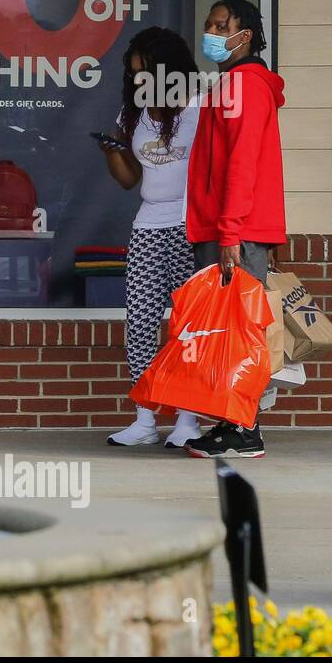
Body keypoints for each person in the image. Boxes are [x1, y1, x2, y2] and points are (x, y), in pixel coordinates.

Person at [182, 0, 286, 459]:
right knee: (224, 331)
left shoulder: (244, 86)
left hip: (234, 232)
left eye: (222, 25)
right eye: (209, 24)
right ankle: (230, 423)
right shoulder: (232, 83)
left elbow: (241, 166)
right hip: (227, 228)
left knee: (239, 332)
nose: (212, 32)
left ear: (245, 35)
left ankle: (245, 429)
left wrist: (229, 235)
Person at [99, 27, 204, 448]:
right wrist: (113, 154)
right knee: (140, 321)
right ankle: (145, 418)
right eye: (134, 75)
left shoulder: (200, 106)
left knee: (189, 325)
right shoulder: (134, 114)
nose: (139, 82)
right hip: (148, 224)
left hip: (189, 225)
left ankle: (188, 418)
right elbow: (130, 180)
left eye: (146, 73)